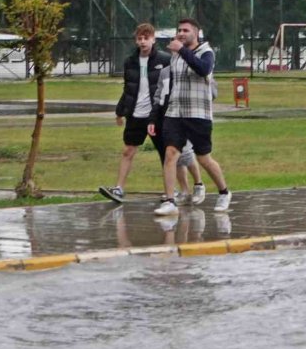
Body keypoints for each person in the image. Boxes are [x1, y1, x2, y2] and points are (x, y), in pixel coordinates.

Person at [149, 17, 231, 216]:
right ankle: (169, 200)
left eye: (186, 30)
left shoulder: (206, 52)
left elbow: (203, 69)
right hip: (175, 113)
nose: (181, 33)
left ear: (196, 32)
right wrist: (155, 117)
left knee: (204, 158)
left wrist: (182, 51)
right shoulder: (176, 55)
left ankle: (224, 191)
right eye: (179, 30)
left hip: (198, 114)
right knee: (170, 155)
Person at [98, 23, 169, 203]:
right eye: (140, 38)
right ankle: (119, 189)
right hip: (136, 115)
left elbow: (168, 88)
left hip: (156, 116)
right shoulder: (130, 62)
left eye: (146, 38)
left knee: (166, 154)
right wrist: (120, 111)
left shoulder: (164, 60)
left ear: (153, 39)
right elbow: (128, 89)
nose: (143, 42)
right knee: (128, 150)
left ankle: (171, 191)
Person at [151, 64, 206, 206]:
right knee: (173, 155)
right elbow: (158, 96)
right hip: (168, 117)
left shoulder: (193, 69)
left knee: (186, 153)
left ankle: (198, 184)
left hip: (187, 116)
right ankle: (185, 191)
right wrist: (153, 118)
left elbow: (210, 90)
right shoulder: (165, 72)